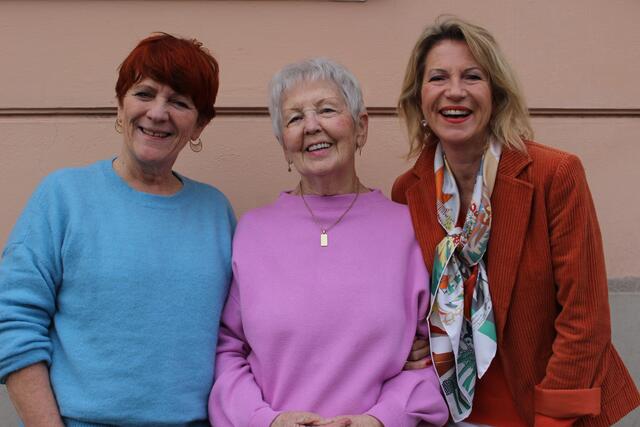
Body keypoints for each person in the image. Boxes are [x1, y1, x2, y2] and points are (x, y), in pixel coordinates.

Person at [392, 16, 640, 426]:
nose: (455, 91)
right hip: (444, 412)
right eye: (438, 78)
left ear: (497, 95)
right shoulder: (408, 191)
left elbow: (584, 319)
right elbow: (405, 303)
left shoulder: (553, 174)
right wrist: (401, 347)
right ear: (419, 99)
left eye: (472, 76)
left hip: (541, 410)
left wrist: (552, 419)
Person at [0, 33, 235, 426]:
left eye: (179, 102)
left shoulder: (215, 213)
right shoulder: (64, 197)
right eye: (144, 93)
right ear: (120, 105)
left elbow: (235, 340)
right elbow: (12, 320)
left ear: (199, 125)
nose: (158, 113)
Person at [208, 58, 448, 427]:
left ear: (361, 128)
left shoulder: (411, 228)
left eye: (327, 110)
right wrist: (265, 421)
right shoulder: (253, 231)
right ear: (283, 143)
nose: (311, 126)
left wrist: (381, 419)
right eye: (294, 118)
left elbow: (437, 353)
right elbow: (228, 350)